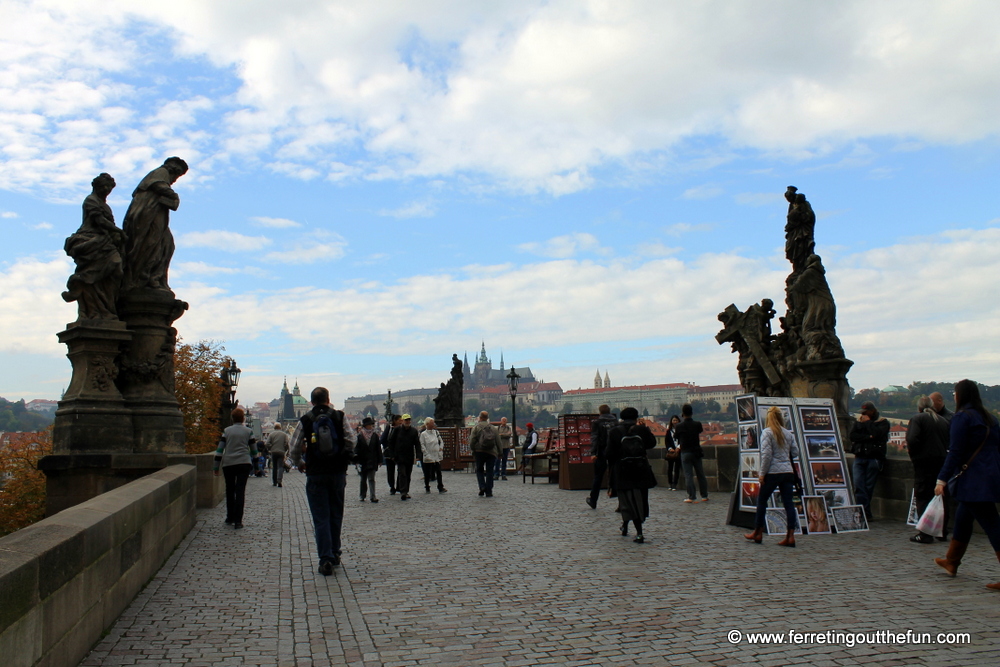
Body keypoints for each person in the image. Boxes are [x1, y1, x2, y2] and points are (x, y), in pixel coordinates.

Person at [933, 379, 1000, 590]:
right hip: (991, 474)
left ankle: (952, 560)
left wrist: (942, 479)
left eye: (955, 393)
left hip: (973, 479)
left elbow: (955, 451)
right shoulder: (990, 418)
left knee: (992, 524)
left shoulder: (962, 417)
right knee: (963, 516)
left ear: (960, 395)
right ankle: (952, 561)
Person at [289, 387, 356, 575]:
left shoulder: (306, 419)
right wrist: (342, 456)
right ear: (328, 399)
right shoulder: (339, 416)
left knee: (321, 517)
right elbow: (351, 440)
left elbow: (293, 446)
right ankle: (335, 552)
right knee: (336, 514)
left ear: (311, 402)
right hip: (337, 473)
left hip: (315, 473)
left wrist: (299, 463)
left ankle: (325, 558)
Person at [62, 173, 125, 320]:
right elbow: (100, 221)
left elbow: (110, 223)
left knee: (115, 272)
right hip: (92, 240)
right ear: (95, 186)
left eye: (109, 187)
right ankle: (93, 310)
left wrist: (117, 235)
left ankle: (107, 309)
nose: (106, 189)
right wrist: (118, 232)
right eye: (104, 185)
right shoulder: (90, 201)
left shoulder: (106, 206)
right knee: (94, 276)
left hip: (105, 240)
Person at [121, 157, 188, 291]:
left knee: (167, 245)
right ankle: (141, 278)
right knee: (149, 244)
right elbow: (158, 184)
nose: (174, 180)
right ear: (173, 170)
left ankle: (155, 277)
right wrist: (174, 196)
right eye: (177, 176)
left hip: (155, 217)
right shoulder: (161, 172)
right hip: (147, 217)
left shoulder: (161, 176)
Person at [744, 406, 799, 547]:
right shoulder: (788, 433)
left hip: (773, 473)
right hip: (787, 472)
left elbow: (766, 456)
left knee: (762, 501)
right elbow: (795, 452)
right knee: (789, 504)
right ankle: (790, 536)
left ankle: (758, 531)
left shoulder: (767, 433)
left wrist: (762, 474)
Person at [605, 407, 656, 542]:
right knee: (640, 500)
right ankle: (632, 528)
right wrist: (646, 430)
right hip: (641, 469)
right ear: (635, 417)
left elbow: (608, 453)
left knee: (627, 502)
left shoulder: (615, 431)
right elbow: (652, 444)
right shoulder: (641, 429)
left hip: (622, 470)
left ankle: (636, 531)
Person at [906, 396, 950, 543]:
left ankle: (925, 533)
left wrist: (915, 455)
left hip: (924, 463)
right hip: (942, 462)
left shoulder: (917, 419)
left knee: (923, 496)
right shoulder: (943, 420)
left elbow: (912, 439)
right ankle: (942, 531)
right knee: (941, 497)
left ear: (919, 407)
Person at [213, 407, 258, 529]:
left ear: (232, 418)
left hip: (229, 463)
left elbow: (219, 450)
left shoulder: (227, 431)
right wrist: (257, 466)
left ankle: (229, 517)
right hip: (244, 463)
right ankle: (238, 520)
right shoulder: (248, 431)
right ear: (243, 418)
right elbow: (254, 450)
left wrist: (216, 466)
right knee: (240, 491)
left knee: (230, 490)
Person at [849, 401, 889, 520]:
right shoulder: (858, 422)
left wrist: (868, 423)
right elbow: (853, 436)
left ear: (872, 411)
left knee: (868, 487)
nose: (864, 415)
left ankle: (864, 513)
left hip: (874, 458)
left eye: (866, 412)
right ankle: (865, 513)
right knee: (858, 485)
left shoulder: (882, 422)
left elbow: (877, 434)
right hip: (860, 456)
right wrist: (868, 437)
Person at [586, 405, 619, 509]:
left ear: (600, 412)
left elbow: (595, 438)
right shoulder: (616, 422)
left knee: (598, 476)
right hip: (615, 451)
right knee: (616, 475)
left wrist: (593, 453)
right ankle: (621, 502)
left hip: (602, 451)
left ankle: (593, 500)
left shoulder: (597, 422)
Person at [674, 404, 708, 503]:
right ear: (692, 413)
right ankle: (704, 495)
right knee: (700, 474)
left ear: (682, 414)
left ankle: (691, 496)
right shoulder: (697, 424)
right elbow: (700, 431)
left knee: (688, 475)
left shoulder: (679, 426)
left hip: (685, 452)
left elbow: (676, 437)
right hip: (696, 451)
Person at [469, 411, 501, 497]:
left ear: (480, 417)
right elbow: (498, 441)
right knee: (490, 471)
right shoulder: (493, 428)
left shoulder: (476, 428)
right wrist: (500, 452)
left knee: (479, 470)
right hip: (491, 452)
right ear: (487, 418)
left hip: (479, 452)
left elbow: (472, 441)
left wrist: (473, 450)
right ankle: (489, 490)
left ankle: (482, 486)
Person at [389, 414, 420, 500]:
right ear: (403, 421)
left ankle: (406, 491)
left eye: (409, 420)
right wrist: (392, 454)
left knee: (408, 474)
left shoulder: (414, 431)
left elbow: (417, 444)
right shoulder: (397, 430)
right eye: (406, 420)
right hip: (399, 456)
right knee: (402, 473)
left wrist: (418, 455)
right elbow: (391, 442)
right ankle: (403, 491)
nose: (408, 421)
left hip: (409, 456)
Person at [355, 417, 383, 502]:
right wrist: (356, 460)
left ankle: (372, 496)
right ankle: (362, 495)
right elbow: (356, 449)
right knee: (363, 479)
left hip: (372, 460)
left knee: (371, 479)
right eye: (370, 425)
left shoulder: (375, 436)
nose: (372, 426)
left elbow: (378, 448)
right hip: (363, 460)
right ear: (366, 426)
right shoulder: (359, 436)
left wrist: (380, 460)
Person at [419, 417, 447, 493]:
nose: (433, 424)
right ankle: (427, 486)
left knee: (438, 472)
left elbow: (441, 441)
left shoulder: (436, 432)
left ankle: (440, 486)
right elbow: (422, 445)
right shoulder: (423, 434)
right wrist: (426, 454)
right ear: (427, 424)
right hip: (428, 455)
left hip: (436, 455)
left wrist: (440, 448)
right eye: (432, 423)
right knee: (427, 472)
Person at [381, 415, 400, 495]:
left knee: (401, 470)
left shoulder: (402, 429)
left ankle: (399, 486)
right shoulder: (389, 428)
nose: (401, 422)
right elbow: (382, 439)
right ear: (395, 421)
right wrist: (387, 448)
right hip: (389, 453)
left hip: (399, 452)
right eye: (399, 420)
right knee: (390, 471)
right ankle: (392, 487)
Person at [267, 422, 289, 487]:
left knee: (274, 467)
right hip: (281, 452)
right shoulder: (284, 434)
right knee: (280, 466)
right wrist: (285, 450)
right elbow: (286, 443)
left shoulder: (271, 434)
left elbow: (267, 443)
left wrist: (271, 448)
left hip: (273, 452)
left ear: (274, 428)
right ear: (280, 427)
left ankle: (274, 482)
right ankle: (279, 480)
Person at [664, 414, 682, 491]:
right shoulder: (669, 431)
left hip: (679, 451)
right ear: (671, 422)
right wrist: (670, 448)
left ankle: (675, 484)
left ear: (678, 421)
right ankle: (670, 483)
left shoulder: (681, 430)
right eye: (673, 420)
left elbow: (683, 440)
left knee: (677, 468)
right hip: (671, 452)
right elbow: (667, 441)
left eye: (676, 420)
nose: (675, 422)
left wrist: (678, 447)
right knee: (670, 468)